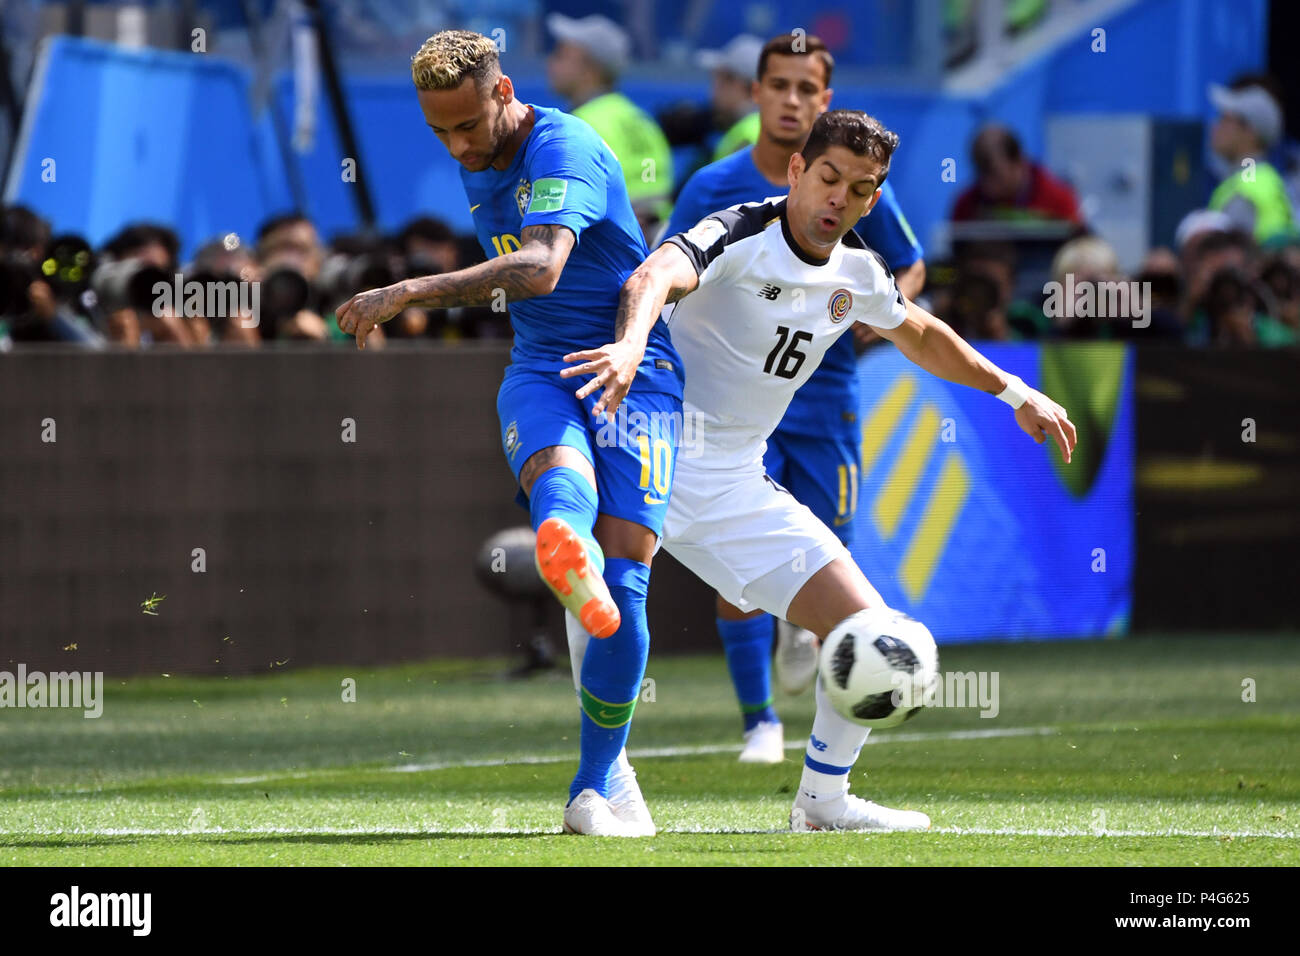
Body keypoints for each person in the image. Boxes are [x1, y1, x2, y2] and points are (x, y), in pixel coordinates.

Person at [569, 109, 1075, 831]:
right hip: (648, 440)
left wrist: (1016, 393)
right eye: (830, 177)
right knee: (611, 602)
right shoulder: (738, 229)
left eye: (862, 188)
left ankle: (823, 801)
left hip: (734, 481)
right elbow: (654, 273)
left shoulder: (859, 273)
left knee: (879, 634)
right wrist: (627, 346)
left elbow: (923, 334)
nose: (841, 199)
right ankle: (599, 780)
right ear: (797, 171)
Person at [336, 30, 683, 837]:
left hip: (634, 366)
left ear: (505, 91)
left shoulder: (565, 144)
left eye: (467, 125)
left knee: (630, 572)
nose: (458, 145)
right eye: (439, 133)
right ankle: (566, 545)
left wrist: (408, 291)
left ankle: (600, 776)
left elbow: (539, 270)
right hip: (540, 367)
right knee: (567, 495)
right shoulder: (477, 150)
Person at [662, 32, 926, 763]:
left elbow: (905, 278)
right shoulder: (715, 189)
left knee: (829, 559)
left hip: (821, 393)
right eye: (779, 86)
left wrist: (855, 322)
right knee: (736, 563)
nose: (791, 100)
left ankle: (825, 768)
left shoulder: (864, 189)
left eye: (806, 89)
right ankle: (759, 723)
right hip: (711, 420)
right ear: (756, 93)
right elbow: (662, 273)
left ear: (824, 100)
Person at [545, 13, 674, 238]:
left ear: (590, 69)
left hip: (605, 246)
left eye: (561, 55)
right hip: (651, 243)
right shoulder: (642, 120)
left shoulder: (578, 125)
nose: (550, 62)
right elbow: (653, 190)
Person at [1208, 76, 1296, 245]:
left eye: (1225, 119)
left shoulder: (1247, 187)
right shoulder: (1261, 176)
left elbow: (1234, 259)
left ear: (1250, 132)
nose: (1216, 126)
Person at [951, 124, 1081, 224]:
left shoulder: (1058, 201)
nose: (988, 187)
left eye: (997, 176)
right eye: (982, 176)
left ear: (1019, 161)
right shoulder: (967, 205)